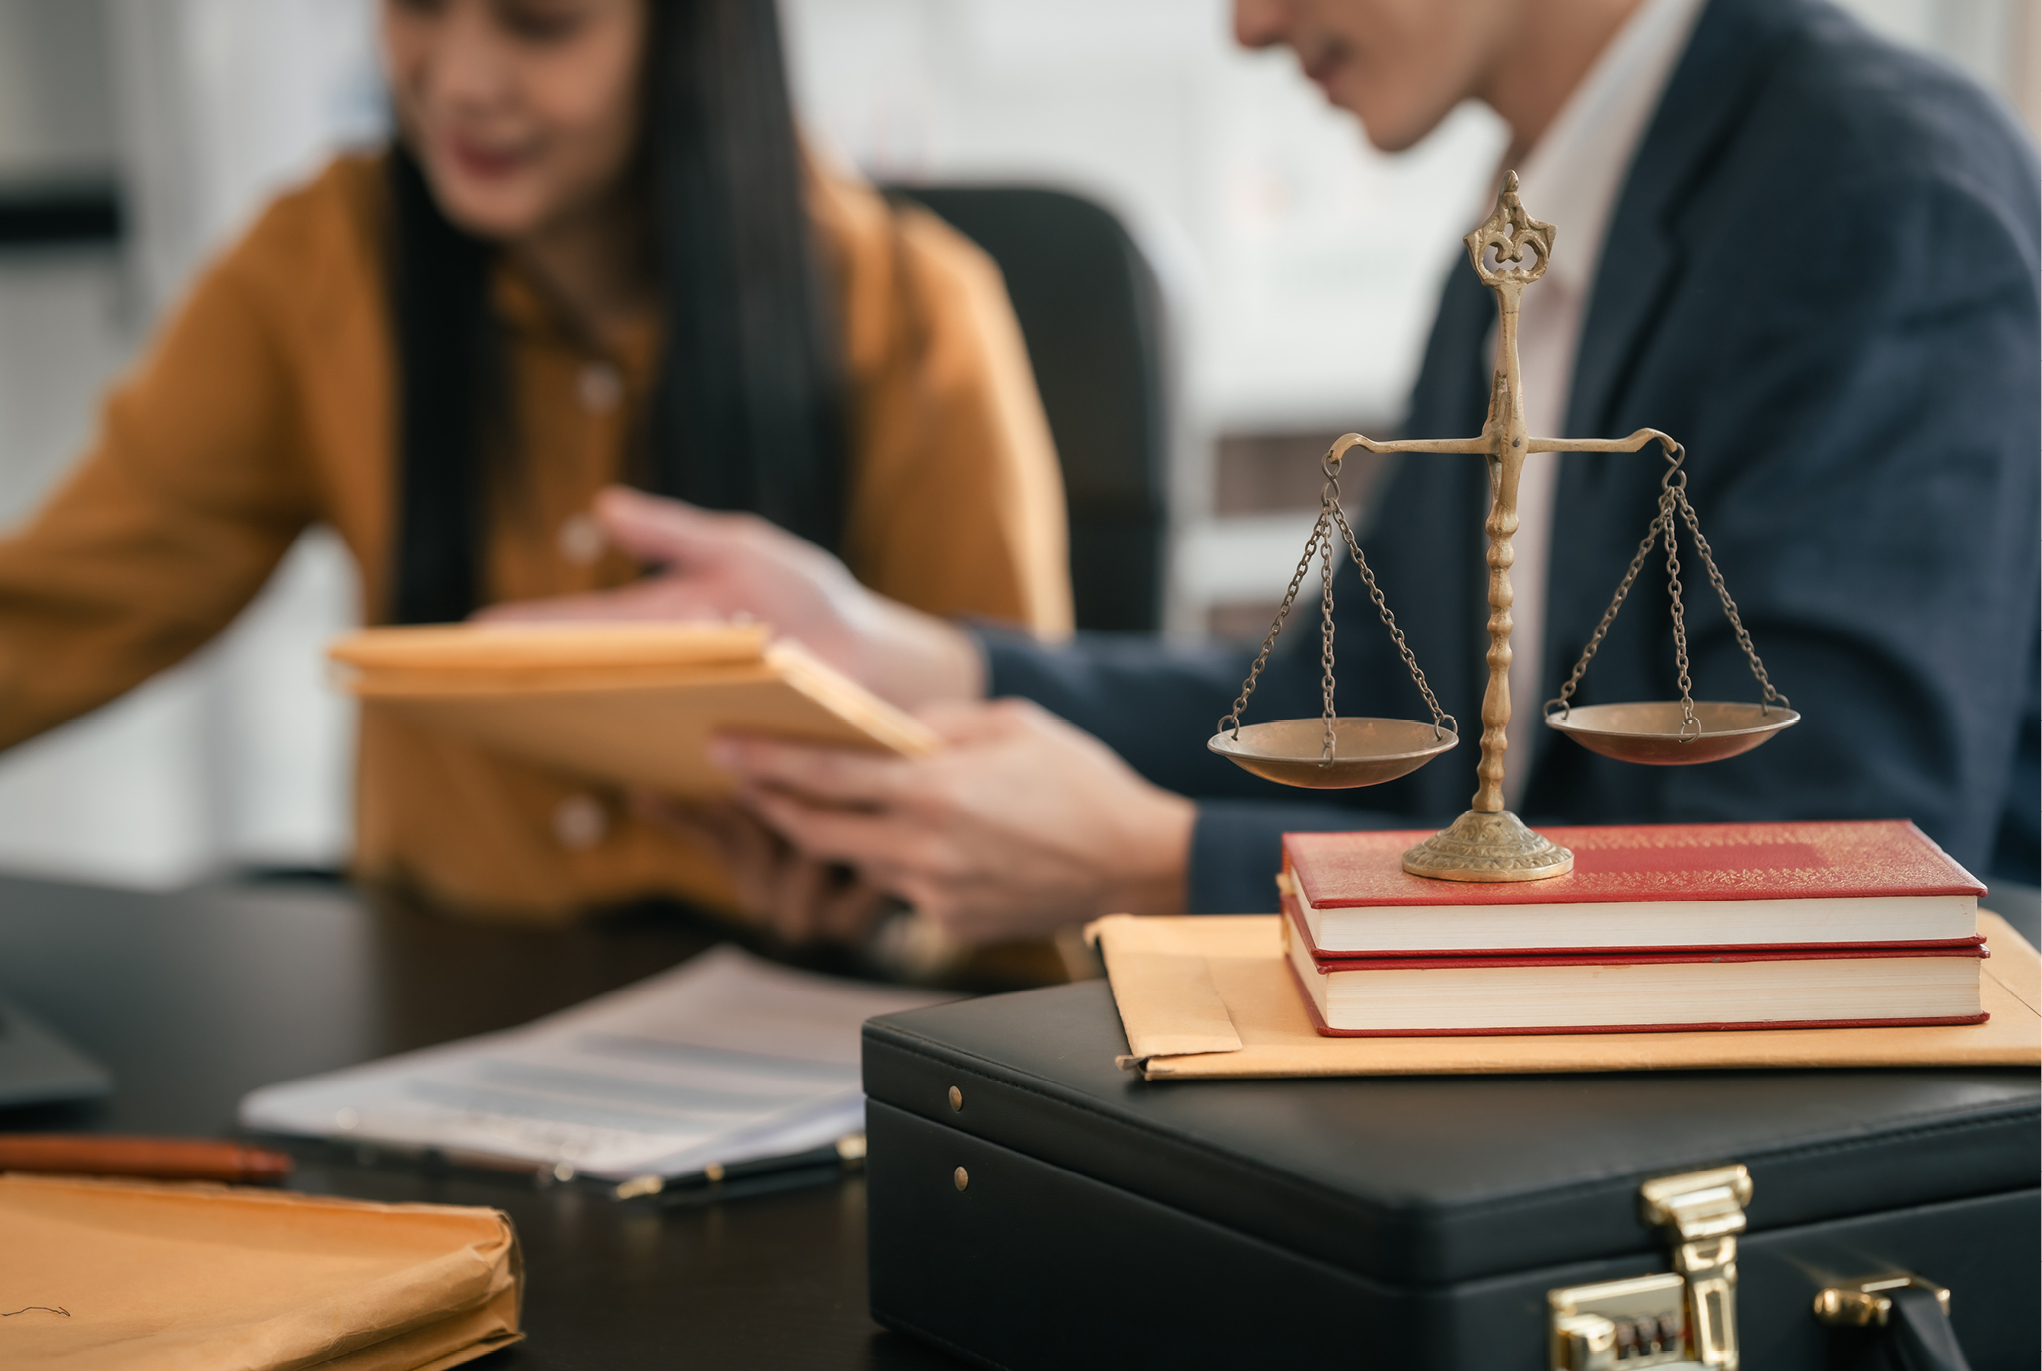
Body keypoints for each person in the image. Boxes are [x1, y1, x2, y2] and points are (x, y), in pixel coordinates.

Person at [499, 0, 2042, 944]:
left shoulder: (1873, 193)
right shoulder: (1533, 220)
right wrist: (919, 656)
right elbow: (1377, 708)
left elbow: (1813, 885)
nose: (1241, 25)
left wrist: (1156, 862)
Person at [0, 0, 1073, 920]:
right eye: (417, 5)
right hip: (426, 1013)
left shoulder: (919, 319)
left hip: (801, 1034)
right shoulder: (318, 267)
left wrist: (903, 911)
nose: (459, 79)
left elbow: (1031, 799)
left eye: (541, 21)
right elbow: (55, 612)